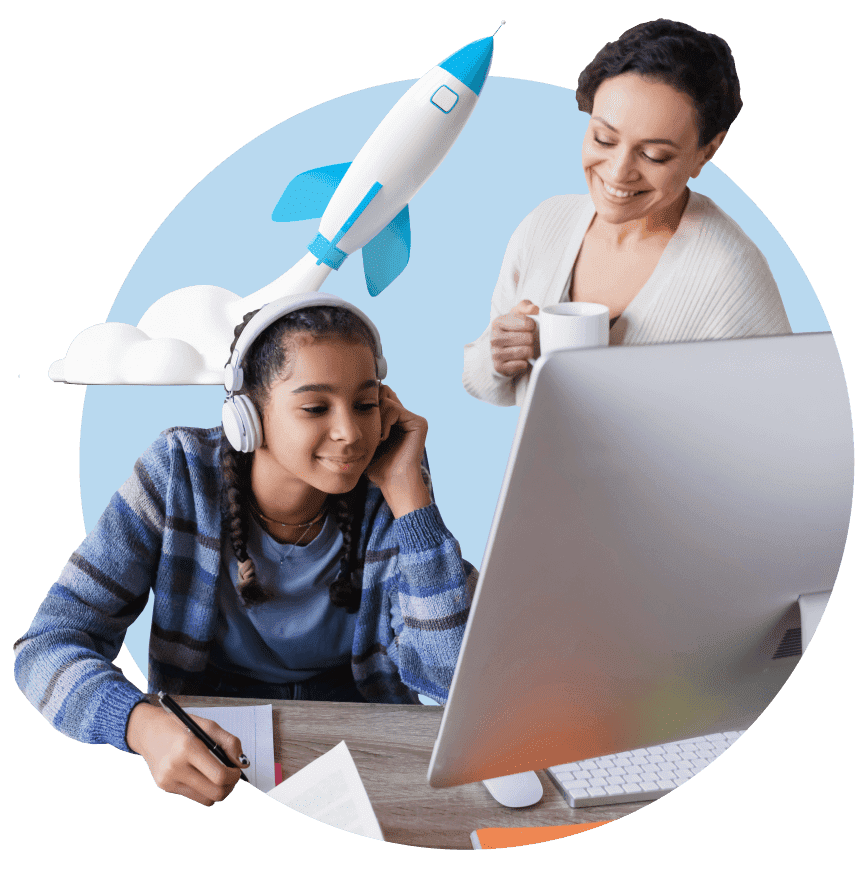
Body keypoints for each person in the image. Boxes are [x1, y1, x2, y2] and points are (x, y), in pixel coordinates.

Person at [15, 292, 477, 806]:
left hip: (366, 748)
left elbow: (454, 678)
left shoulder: (393, 485)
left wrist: (412, 501)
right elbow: (46, 646)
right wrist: (139, 724)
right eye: (315, 407)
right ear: (247, 416)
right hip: (215, 749)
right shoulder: (178, 474)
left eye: (366, 405)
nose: (349, 432)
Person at [463, 19, 792, 408]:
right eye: (603, 138)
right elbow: (483, 383)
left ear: (706, 152)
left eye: (654, 155)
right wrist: (496, 359)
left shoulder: (729, 274)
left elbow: (783, 420)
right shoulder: (546, 224)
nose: (619, 172)